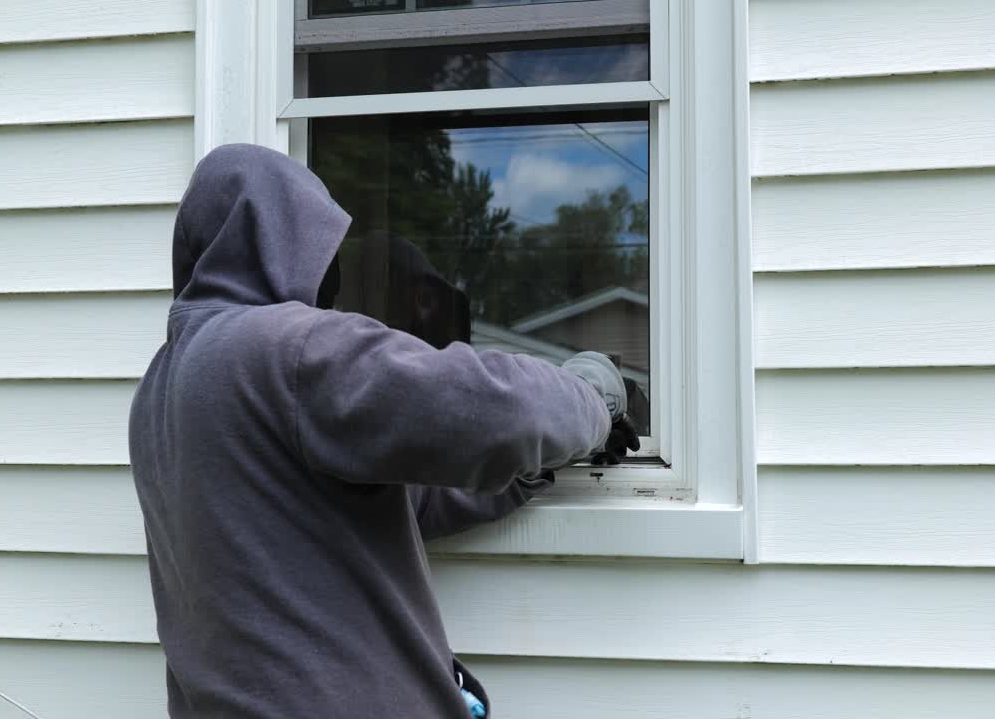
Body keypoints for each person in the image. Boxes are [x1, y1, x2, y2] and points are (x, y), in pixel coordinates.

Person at [128, 143, 635, 719]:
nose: (332, 273)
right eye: (322, 245)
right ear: (282, 238)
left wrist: (534, 470)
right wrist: (595, 393)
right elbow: (499, 411)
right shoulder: (284, 349)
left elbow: (393, 499)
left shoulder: (162, 385)